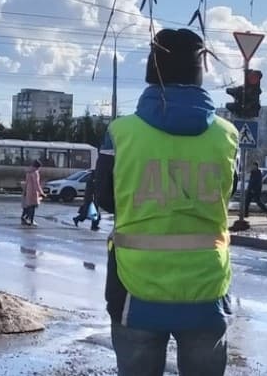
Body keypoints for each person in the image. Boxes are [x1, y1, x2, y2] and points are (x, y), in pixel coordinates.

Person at [95, 28, 238, 376]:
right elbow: (227, 195)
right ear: (199, 71)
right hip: (206, 283)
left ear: (151, 69)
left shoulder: (120, 132)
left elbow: (105, 200)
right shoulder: (227, 134)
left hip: (135, 284)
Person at [21, 160, 45, 226]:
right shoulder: (35, 173)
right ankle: (31, 220)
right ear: (37, 167)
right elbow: (36, 184)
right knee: (33, 206)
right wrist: (41, 193)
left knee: (27, 206)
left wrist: (25, 191)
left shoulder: (28, 172)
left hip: (28, 190)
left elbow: (26, 182)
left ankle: (24, 218)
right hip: (33, 192)